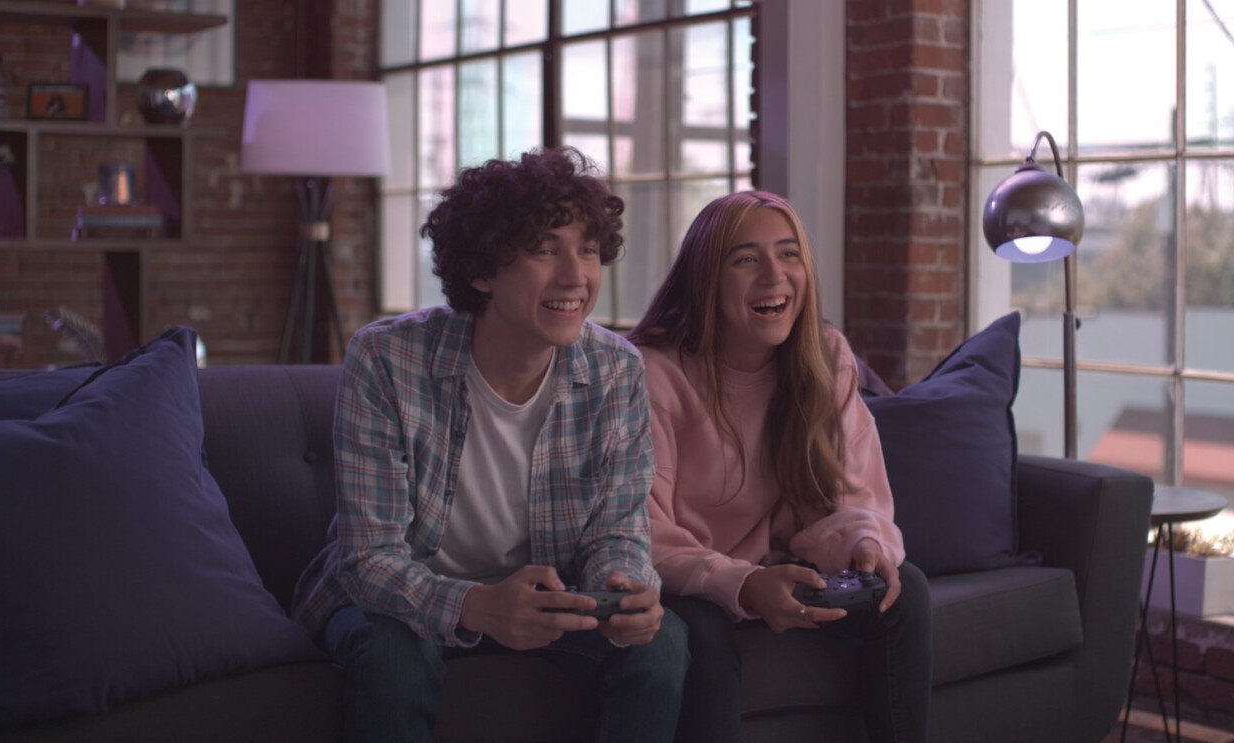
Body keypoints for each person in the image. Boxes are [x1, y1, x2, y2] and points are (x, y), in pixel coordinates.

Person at [292, 146, 688, 743]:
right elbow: (368, 559)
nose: (575, 276)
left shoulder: (616, 369)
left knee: (664, 642)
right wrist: (478, 606)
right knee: (393, 651)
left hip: (544, 607)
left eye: (586, 249)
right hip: (398, 603)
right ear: (482, 271)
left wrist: (625, 591)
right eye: (544, 249)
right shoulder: (386, 359)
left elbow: (617, 533)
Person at [628, 190, 932, 742]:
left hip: (785, 562)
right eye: (746, 259)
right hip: (684, 577)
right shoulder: (652, 373)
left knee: (902, 589)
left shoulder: (825, 355)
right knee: (703, 634)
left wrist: (866, 545)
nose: (774, 275)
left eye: (789, 254)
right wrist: (744, 585)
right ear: (706, 280)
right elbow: (642, 532)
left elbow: (853, 493)